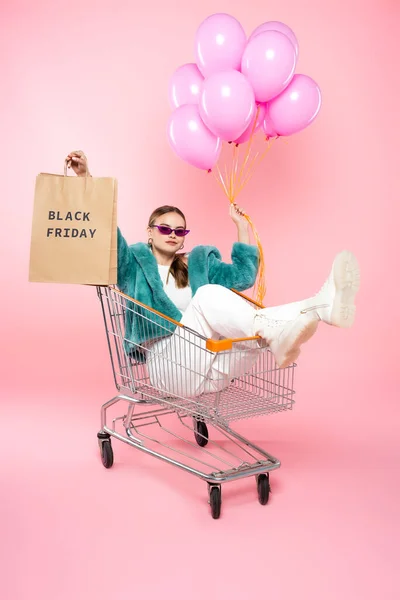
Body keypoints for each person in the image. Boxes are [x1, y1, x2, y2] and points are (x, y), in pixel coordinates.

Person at [66, 150, 360, 397]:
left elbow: (244, 277)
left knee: (253, 335)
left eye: (179, 230)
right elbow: (108, 233)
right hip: (168, 367)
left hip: (211, 369)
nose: (173, 234)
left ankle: (321, 308)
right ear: (150, 233)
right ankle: (304, 315)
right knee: (211, 299)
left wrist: (241, 226)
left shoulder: (198, 265)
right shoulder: (133, 265)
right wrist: (85, 179)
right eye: (165, 228)